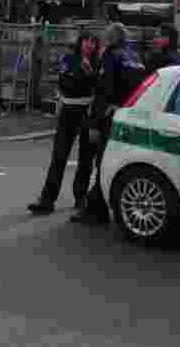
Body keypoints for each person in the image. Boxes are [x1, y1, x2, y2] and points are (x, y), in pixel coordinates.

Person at [73, 22, 147, 225]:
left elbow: (104, 89)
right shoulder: (134, 57)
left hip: (109, 117)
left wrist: (95, 123)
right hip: (130, 114)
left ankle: (95, 209)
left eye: (106, 36)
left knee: (103, 162)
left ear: (112, 38)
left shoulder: (112, 56)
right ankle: (98, 206)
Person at [28, 33, 101, 215]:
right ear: (80, 42)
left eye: (93, 42)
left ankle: (80, 198)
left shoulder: (98, 61)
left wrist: (89, 74)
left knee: (86, 158)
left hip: (87, 112)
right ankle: (47, 200)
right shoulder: (69, 58)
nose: (89, 45)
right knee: (59, 156)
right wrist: (84, 76)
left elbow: (100, 86)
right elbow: (67, 82)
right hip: (69, 110)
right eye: (87, 41)